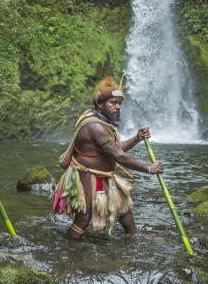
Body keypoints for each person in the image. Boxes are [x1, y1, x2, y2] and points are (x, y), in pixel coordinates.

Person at [52, 76, 163, 239]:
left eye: (120, 103)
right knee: (84, 217)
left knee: (124, 208)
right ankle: (71, 248)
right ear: (99, 103)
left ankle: (134, 238)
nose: (118, 107)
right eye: (113, 103)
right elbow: (118, 155)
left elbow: (113, 149)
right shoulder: (95, 126)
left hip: (103, 176)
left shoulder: (102, 122)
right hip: (87, 175)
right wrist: (148, 168)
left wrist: (136, 138)